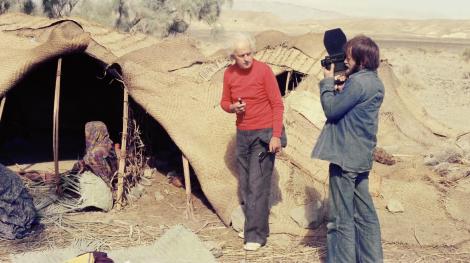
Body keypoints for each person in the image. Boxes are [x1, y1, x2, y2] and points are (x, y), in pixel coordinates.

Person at [312, 35, 384, 262]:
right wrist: (343, 88)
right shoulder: (374, 82)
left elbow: (331, 110)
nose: (346, 60)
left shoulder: (358, 83)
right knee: (365, 215)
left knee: (340, 219)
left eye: (349, 56)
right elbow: (354, 109)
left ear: (361, 60)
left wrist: (327, 83)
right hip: (361, 157)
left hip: (345, 158)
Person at [220, 33, 284, 251]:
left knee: (257, 185)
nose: (247, 58)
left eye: (249, 53)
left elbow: (277, 104)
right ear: (233, 57)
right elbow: (224, 102)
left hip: (264, 134)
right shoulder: (229, 74)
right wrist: (233, 108)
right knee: (247, 184)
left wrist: (276, 135)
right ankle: (255, 227)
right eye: (241, 55)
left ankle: (255, 236)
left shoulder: (264, 71)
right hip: (243, 134)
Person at [73, 121, 118, 189]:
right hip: (112, 180)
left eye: (88, 132)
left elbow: (104, 176)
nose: (87, 134)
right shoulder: (108, 143)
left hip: (103, 187)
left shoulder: (95, 152)